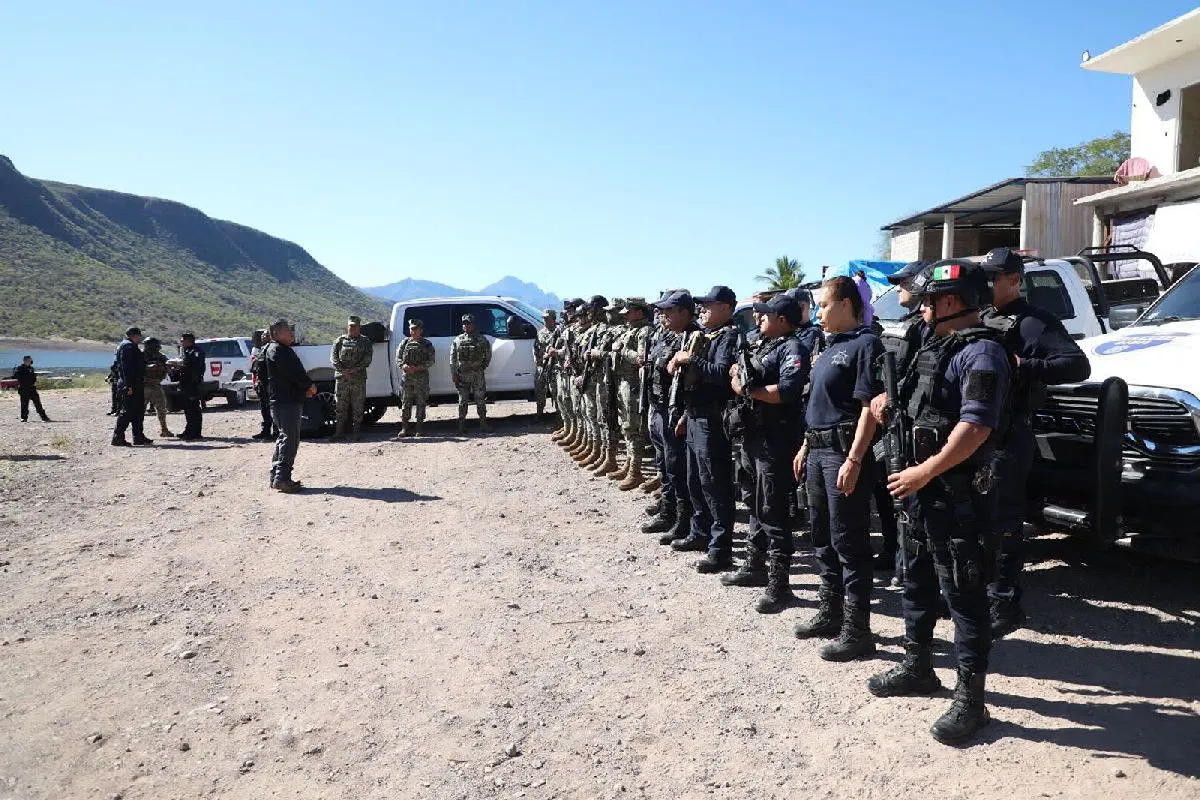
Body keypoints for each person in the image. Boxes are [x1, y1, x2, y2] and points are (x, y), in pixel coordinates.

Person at [866, 258, 1012, 745]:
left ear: (950, 301)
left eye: (929, 300)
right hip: (917, 493)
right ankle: (918, 667)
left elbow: (976, 428)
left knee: (965, 597)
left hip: (955, 496)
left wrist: (924, 472)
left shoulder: (983, 353)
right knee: (915, 581)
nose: (922, 307)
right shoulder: (929, 346)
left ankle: (971, 700)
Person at [980, 247, 1091, 638]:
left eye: (994, 278)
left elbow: (1077, 364)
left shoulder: (1033, 322)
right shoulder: (978, 318)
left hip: (1008, 434)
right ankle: (975, 592)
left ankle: (1004, 602)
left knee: (1003, 520)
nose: (987, 283)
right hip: (973, 434)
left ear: (1014, 280)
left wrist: (1023, 366)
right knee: (974, 518)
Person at [792, 276, 882, 662]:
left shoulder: (866, 344)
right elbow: (819, 404)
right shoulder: (829, 347)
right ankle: (830, 612)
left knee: (849, 541)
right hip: (817, 451)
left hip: (843, 455)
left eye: (824, 306)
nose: (818, 314)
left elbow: (868, 408)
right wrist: (805, 446)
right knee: (822, 537)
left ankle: (858, 629)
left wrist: (855, 458)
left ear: (846, 304)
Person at [725, 293, 811, 613]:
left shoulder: (793, 348)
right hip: (752, 435)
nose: (759, 319)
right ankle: (755, 563)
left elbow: (788, 391)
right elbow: (736, 372)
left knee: (774, 509)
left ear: (783, 320)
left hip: (776, 440)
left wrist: (749, 389)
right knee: (752, 500)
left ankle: (780, 583)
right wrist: (740, 380)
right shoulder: (761, 344)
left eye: (765, 315)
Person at [668, 285, 739, 574]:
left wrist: (691, 358)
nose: (703, 310)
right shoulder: (707, 336)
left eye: (710, 305)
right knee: (695, 479)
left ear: (726, 308)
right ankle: (700, 532)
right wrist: (686, 413)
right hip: (695, 416)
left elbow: (722, 375)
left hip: (713, 420)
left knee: (715, 485)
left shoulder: (730, 337)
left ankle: (720, 549)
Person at [870, 261, 930, 576]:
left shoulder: (929, 328)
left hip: (917, 428)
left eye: (904, 283)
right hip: (893, 424)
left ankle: (914, 566)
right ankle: (896, 553)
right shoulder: (905, 324)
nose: (898, 289)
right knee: (888, 495)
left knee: (912, 502)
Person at [644, 290, 696, 544]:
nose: (662, 315)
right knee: (664, 465)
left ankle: (683, 520)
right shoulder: (667, 335)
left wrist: (684, 415)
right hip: (659, 406)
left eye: (668, 311)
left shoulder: (691, 338)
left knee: (678, 469)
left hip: (674, 412)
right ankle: (668, 512)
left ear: (684, 313)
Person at [262, 319, 317, 492]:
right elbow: (294, 373)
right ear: (276, 333)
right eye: (288, 331)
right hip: (286, 402)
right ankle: (282, 478)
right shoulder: (279, 350)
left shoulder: (272, 350)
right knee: (290, 438)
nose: (292, 334)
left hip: (280, 400)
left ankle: (276, 476)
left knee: (283, 437)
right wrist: (308, 386)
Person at [613, 298, 652, 489]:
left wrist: (622, 350)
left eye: (629, 312)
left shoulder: (645, 331)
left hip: (635, 385)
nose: (626, 317)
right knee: (626, 427)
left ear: (639, 312)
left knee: (634, 429)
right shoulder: (631, 330)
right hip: (624, 383)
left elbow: (641, 358)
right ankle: (629, 464)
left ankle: (636, 471)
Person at [330, 315, 374, 441]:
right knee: (340, 406)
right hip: (342, 379)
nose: (352, 328)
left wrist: (354, 370)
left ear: (359, 327)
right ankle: (339, 432)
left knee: (358, 405)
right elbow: (333, 358)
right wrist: (344, 371)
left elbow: (367, 359)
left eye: (355, 326)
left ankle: (356, 433)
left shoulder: (365, 341)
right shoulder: (340, 340)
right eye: (351, 326)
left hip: (358, 378)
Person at [451, 313, 492, 433]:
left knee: (480, 399)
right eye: (464, 324)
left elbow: (488, 355)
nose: (466, 326)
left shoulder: (481, 339)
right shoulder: (457, 340)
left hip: (477, 374)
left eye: (468, 324)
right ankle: (461, 425)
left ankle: (483, 423)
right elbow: (452, 358)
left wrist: (481, 367)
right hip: (462, 375)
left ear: (473, 324)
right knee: (462, 400)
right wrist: (454, 373)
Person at [394, 318, 436, 437]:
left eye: (415, 329)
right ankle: (404, 428)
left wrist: (419, 368)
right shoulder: (404, 343)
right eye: (411, 329)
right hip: (407, 378)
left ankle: (419, 428)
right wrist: (404, 366)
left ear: (420, 330)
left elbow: (431, 360)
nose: (413, 332)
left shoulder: (426, 344)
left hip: (421, 377)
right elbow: (398, 358)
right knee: (406, 402)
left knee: (421, 403)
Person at [112, 327, 152, 447]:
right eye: (139, 336)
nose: (140, 338)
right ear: (134, 335)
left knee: (138, 411)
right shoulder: (128, 347)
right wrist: (128, 385)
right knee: (128, 411)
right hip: (130, 384)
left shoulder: (130, 346)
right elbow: (126, 368)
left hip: (136, 383)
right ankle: (118, 437)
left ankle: (138, 436)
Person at [141, 338, 174, 438]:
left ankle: (164, 429)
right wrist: (148, 367)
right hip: (143, 385)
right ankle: (138, 432)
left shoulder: (160, 355)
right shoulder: (140, 355)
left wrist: (167, 366)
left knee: (161, 408)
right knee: (140, 410)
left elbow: (167, 363)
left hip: (156, 384)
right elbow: (136, 368)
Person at [176, 333, 206, 441]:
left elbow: (195, 367)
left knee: (193, 408)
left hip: (193, 383)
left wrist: (182, 364)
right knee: (188, 408)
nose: (181, 343)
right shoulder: (186, 351)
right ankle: (189, 430)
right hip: (185, 382)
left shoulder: (196, 351)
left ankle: (195, 432)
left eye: (183, 341)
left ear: (189, 341)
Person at [250, 329, 278, 441]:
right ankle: (266, 431)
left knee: (274, 409)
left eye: (265, 335)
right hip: (262, 383)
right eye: (262, 335)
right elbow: (256, 368)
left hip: (270, 384)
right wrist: (256, 382)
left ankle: (276, 432)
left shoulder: (273, 349)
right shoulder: (261, 350)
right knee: (264, 409)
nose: (263, 337)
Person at [13, 356, 51, 422]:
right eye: (29, 360)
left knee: (38, 403)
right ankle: (24, 418)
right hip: (24, 388)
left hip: (32, 388)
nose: (30, 361)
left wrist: (33, 380)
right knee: (24, 404)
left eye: (30, 360)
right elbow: (16, 376)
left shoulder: (31, 368)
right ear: (25, 361)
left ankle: (44, 417)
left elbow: (33, 377)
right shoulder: (20, 368)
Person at [535, 309, 557, 419]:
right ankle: (539, 414)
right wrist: (538, 361)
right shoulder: (541, 333)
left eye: (547, 318)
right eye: (544, 318)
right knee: (539, 390)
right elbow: (535, 348)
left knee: (556, 392)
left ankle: (559, 417)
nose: (545, 321)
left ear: (553, 319)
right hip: (541, 366)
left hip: (554, 367)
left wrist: (549, 356)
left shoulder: (559, 332)